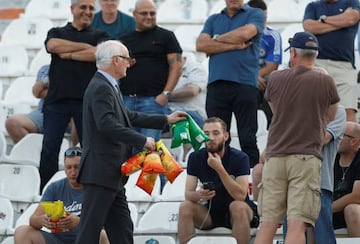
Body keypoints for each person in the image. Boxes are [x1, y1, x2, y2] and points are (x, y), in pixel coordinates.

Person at [75, 40, 186, 244]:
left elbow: (126, 116)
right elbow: (106, 124)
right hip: (102, 171)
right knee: (89, 232)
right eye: (127, 59)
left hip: (111, 173)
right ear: (116, 60)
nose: (130, 63)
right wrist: (142, 140)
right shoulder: (101, 86)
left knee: (122, 229)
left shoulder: (107, 85)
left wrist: (165, 120)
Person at [254, 32, 340, 244]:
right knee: (297, 223)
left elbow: (276, 110)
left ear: (293, 53)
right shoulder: (325, 81)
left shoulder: (275, 78)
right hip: (305, 157)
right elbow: (329, 116)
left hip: (275, 157)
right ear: (315, 54)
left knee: (268, 223)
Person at [39, 0, 108, 191]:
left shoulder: (100, 35)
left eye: (91, 8)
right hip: (57, 100)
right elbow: (53, 46)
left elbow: (98, 54)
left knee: (90, 149)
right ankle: (46, 190)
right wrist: (85, 48)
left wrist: (68, 54)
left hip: (86, 101)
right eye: (83, 7)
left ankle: (91, 189)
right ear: (72, 9)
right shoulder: (56, 32)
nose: (87, 12)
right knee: (49, 150)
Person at [196, 0, 265, 168]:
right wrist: (233, 45)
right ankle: (216, 177)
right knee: (214, 138)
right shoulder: (213, 18)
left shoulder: (255, 14)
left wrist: (216, 40)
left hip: (245, 84)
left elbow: (245, 34)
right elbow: (201, 44)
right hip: (217, 84)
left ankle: (251, 181)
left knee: (247, 137)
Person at [178, 117, 258, 244]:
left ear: (225, 136)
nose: (211, 138)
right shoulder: (195, 157)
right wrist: (199, 195)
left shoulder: (240, 158)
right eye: (206, 134)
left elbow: (241, 195)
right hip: (210, 212)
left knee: (238, 207)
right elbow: (188, 194)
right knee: (185, 206)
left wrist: (219, 168)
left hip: (238, 212)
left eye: (216, 133)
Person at [14, 147, 109, 244]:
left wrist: (79, 222)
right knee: (22, 232)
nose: (73, 172)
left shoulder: (96, 189)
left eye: (77, 167)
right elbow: (33, 220)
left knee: (102, 235)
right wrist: (42, 221)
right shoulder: (55, 188)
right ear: (64, 168)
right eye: (69, 167)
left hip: (86, 239)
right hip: (58, 240)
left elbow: (107, 224)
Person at [119, 0, 183, 142]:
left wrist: (165, 94)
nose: (149, 16)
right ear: (134, 14)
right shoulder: (124, 39)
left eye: (152, 13)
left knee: (149, 150)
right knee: (130, 150)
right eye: (144, 13)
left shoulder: (166, 37)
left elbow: (176, 66)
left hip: (153, 102)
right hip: (127, 101)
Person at [303, 0, 360, 122]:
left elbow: (351, 19)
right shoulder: (313, 6)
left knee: (349, 110)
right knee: (314, 109)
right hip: (317, 64)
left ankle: (351, 141)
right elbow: (309, 27)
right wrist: (340, 22)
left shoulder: (351, 2)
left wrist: (323, 19)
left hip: (344, 66)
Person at [247, 0, 282, 127]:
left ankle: (272, 126)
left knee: (274, 83)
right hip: (243, 78)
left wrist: (255, 76)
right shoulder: (238, 35)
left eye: (265, 18)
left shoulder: (272, 35)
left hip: (264, 79)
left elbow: (273, 65)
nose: (263, 22)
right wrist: (251, 77)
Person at [5, 64, 49, 143]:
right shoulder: (45, 69)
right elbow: (37, 93)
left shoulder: (77, 67)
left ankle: (76, 153)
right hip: (44, 112)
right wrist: (47, 80)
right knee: (12, 123)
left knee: (77, 120)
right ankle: (34, 153)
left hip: (71, 113)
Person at [332, 121, 360, 237]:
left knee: (351, 210)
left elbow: (357, 196)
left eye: (341, 134)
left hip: (354, 213)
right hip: (334, 212)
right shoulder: (331, 158)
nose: (336, 137)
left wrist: (328, 208)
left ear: (354, 141)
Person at [167, 51, 207, 128]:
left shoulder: (196, 68)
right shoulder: (165, 70)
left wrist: (165, 96)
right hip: (167, 111)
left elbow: (192, 90)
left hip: (191, 113)